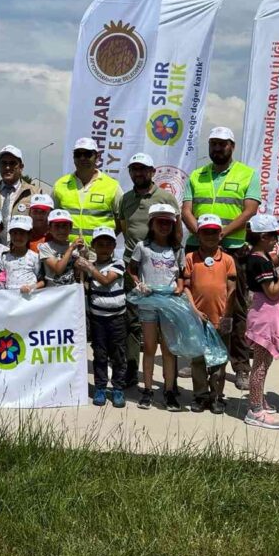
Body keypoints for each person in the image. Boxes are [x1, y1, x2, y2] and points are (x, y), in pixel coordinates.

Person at [180, 126, 260, 391]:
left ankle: (240, 366)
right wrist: (201, 235)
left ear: (232, 147)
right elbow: (187, 211)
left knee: (235, 309)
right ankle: (194, 357)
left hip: (233, 247)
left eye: (222, 144)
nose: (217, 148)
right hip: (197, 247)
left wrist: (223, 232)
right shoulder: (196, 175)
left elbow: (250, 210)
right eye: (213, 144)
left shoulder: (246, 174)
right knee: (192, 305)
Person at [118, 153, 180, 386]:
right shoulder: (125, 199)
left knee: (164, 326)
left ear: (152, 172)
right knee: (132, 322)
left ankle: (169, 382)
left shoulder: (165, 197)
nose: (138, 173)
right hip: (133, 268)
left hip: (162, 271)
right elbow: (125, 229)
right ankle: (132, 371)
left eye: (143, 169)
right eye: (134, 169)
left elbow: (177, 232)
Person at [243, 214, 279, 430]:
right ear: (263, 237)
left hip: (265, 314)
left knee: (264, 363)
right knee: (260, 366)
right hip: (264, 316)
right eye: (274, 237)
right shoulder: (260, 261)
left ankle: (258, 401)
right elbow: (273, 292)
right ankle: (255, 409)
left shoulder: (260, 258)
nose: (277, 241)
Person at [129, 203, 186, 411]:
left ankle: (169, 391)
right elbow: (132, 268)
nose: (164, 226)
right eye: (160, 222)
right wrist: (138, 283)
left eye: (168, 223)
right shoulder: (142, 247)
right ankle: (148, 389)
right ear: (151, 224)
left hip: (169, 302)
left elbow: (182, 275)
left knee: (169, 349)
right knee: (150, 347)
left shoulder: (177, 249)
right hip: (149, 302)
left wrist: (179, 288)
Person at [184, 214, 237, 415]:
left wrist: (227, 316)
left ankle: (216, 396)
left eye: (214, 232)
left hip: (220, 319)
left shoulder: (228, 260)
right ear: (198, 235)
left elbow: (232, 289)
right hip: (197, 320)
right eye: (205, 232)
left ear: (220, 234)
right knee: (198, 360)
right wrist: (195, 311)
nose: (210, 236)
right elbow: (186, 287)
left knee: (219, 361)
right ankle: (200, 395)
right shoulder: (190, 259)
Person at [75, 227, 129, 408]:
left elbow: (106, 281)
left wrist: (88, 266)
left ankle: (118, 388)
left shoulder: (119, 263)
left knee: (118, 355)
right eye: (100, 244)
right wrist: (82, 266)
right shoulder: (90, 266)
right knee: (99, 354)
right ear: (94, 246)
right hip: (97, 318)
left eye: (108, 244)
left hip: (117, 318)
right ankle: (100, 387)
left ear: (114, 246)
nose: (104, 247)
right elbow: (82, 283)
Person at [52, 138, 123, 247]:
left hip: (99, 255)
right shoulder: (60, 185)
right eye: (78, 154)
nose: (82, 158)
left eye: (87, 154)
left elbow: (122, 221)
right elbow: (51, 217)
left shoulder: (112, 186)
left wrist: (106, 239)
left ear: (97, 157)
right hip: (65, 253)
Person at [0, 145, 40, 243]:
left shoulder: (34, 193)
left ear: (21, 167)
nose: (7, 167)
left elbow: (40, 228)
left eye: (12, 163)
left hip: (21, 253)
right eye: (4, 163)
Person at [0, 216, 44, 295]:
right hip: (10, 298)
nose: (18, 237)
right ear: (10, 234)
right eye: (15, 233)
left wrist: (31, 287)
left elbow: (42, 281)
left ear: (29, 235)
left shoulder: (35, 257)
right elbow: (0, 278)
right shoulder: (4, 257)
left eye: (22, 233)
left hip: (29, 299)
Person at [39, 209, 83, 287]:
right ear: (49, 228)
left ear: (70, 228)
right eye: (57, 226)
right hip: (53, 293)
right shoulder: (45, 247)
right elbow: (58, 269)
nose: (61, 230)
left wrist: (84, 254)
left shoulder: (75, 247)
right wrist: (71, 248)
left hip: (71, 291)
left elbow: (80, 274)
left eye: (65, 226)